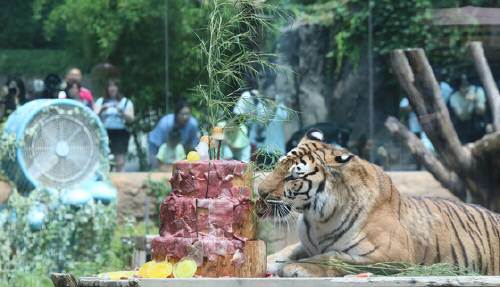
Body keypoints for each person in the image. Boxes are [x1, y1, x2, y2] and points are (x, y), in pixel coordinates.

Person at [94, 79, 134, 172]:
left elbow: (131, 119)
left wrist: (120, 111)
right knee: (103, 160)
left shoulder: (125, 102)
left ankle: (121, 180)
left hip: (120, 133)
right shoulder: (100, 101)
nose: (112, 89)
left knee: (119, 161)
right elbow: (93, 117)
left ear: (118, 88)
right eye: (110, 86)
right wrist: (102, 109)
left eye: (114, 86)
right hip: (104, 133)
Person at [148, 101, 199, 169]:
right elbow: (158, 145)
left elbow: (193, 146)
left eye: (187, 114)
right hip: (156, 144)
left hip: (176, 147)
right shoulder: (166, 123)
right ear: (176, 114)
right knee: (156, 168)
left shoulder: (193, 124)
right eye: (182, 114)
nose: (185, 117)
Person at [448, 74, 488, 143]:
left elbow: (481, 111)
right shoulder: (454, 97)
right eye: (463, 87)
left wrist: (475, 100)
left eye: (467, 86)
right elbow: (462, 117)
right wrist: (467, 103)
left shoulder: (477, 91)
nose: (466, 89)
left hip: (480, 124)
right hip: (464, 129)